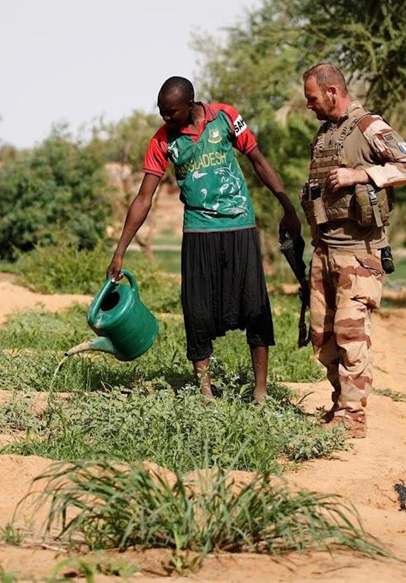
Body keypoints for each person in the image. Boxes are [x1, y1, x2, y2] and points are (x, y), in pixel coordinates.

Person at [108, 76, 301, 401]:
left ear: (190, 105)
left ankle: (260, 392)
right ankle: (206, 394)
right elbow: (144, 199)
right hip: (199, 232)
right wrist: (119, 251)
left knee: (255, 306)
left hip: (239, 224)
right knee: (196, 311)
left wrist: (287, 206)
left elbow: (258, 161)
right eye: (161, 112)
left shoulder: (225, 117)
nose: (164, 118)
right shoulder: (163, 141)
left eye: (170, 112)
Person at [300, 63, 406, 438]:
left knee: (352, 336)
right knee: (323, 337)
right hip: (325, 250)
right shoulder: (325, 135)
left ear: (333, 92)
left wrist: (362, 174)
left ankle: (353, 416)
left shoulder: (369, 126)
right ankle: (340, 404)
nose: (310, 106)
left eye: (313, 99)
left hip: (359, 253)